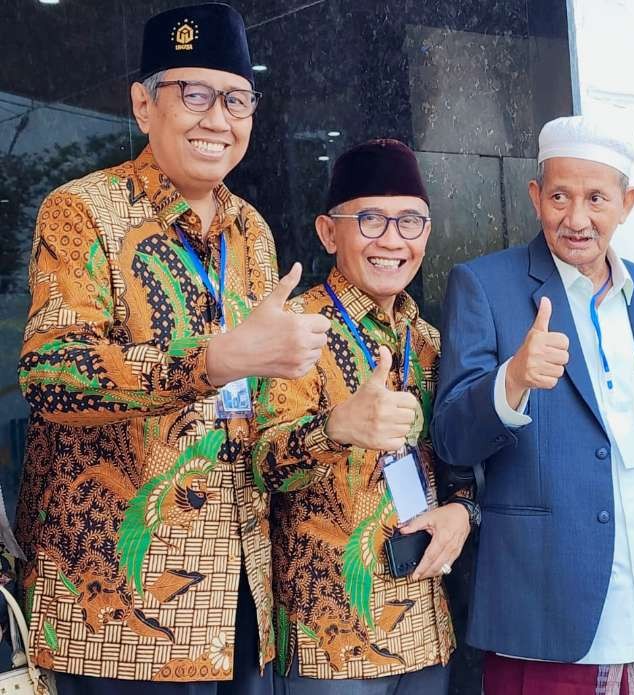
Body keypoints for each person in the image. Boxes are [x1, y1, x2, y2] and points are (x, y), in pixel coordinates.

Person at [14, 4, 330, 693]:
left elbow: (253, 413)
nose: (218, 118)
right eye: (194, 93)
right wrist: (216, 359)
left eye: (237, 98)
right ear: (142, 105)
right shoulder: (84, 209)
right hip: (123, 613)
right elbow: (52, 372)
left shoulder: (254, 231)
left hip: (240, 593)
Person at [432, 115, 634, 695]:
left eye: (596, 198)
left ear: (626, 203)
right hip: (547, 618)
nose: (576, 219)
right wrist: (513, 380)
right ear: (534, 197)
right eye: (559, 197)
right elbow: (451, 435)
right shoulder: (485, 286)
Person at [252, 139, 477, 694]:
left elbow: (459, 464)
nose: (393, 240)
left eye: (410, 222)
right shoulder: (295, 328)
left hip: (425, 628)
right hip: (329, 638)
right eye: (370, 220)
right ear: (330, 233)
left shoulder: (426, 341)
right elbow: (257, 466)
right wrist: (335, 429)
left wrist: (463, 512)